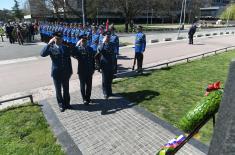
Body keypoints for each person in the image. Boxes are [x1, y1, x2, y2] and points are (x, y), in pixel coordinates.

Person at [40, 32, 73, 112]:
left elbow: (69, 60)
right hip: (56, 73)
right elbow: (42, 54)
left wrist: (70, 71)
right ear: (54, 39)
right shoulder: (51, 48)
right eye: (57, 38)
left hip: (65, 72)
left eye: (60, 38)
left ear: (62, 39)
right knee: (58, 90)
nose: (59, 40)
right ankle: (61, 104)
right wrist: (48, 44)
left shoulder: (65, 47)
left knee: (66, 89)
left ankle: (67, 103)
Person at [72, 35, 95, 105]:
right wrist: (76, 45)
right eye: (83, 41)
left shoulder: (90, 49)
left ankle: (88, 98)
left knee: (89, 85)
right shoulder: (78, 50)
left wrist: (93, 68)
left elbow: (92, 59)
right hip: (81, 70)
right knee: (82, 85)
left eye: (85, 41)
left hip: (89, 70)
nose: (84, 42)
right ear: (80, 41)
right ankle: (84, 99)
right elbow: (72, 53)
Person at [96, 31, 115, 99]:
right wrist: (103, 42)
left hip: (111, 63)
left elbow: (113, 54)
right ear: (104, 37)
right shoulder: (101, 44)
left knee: (110, 78)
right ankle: (105, 92)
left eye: (109, 37)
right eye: (107, 37)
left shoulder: (112, 44)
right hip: (104, 64)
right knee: (105, 79)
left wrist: (114, 64)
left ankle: (110, 92)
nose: (108, 38)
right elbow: (100, 50)